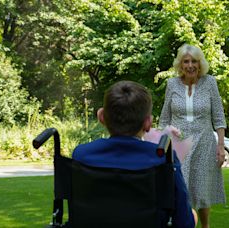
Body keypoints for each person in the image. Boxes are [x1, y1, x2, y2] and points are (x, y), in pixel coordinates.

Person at [72, 80, 197, 228]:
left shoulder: (82, 155)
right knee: (193, 215)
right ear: (148, 123)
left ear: (101, 117)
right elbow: (184, 222)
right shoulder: (162, 157)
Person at [159, 44, 227, 228]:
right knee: (180, 191)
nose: (190, 65)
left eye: (194, 61)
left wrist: (221, 148)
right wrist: (159, 144)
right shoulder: (171, 84)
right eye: (186, 61)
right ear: (180, 65)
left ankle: (205, 226)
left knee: (202, 193)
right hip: (179, 145)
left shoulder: (210, 82)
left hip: (205, 144)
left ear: (200, 63)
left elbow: (219, 117)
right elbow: (165, 118)